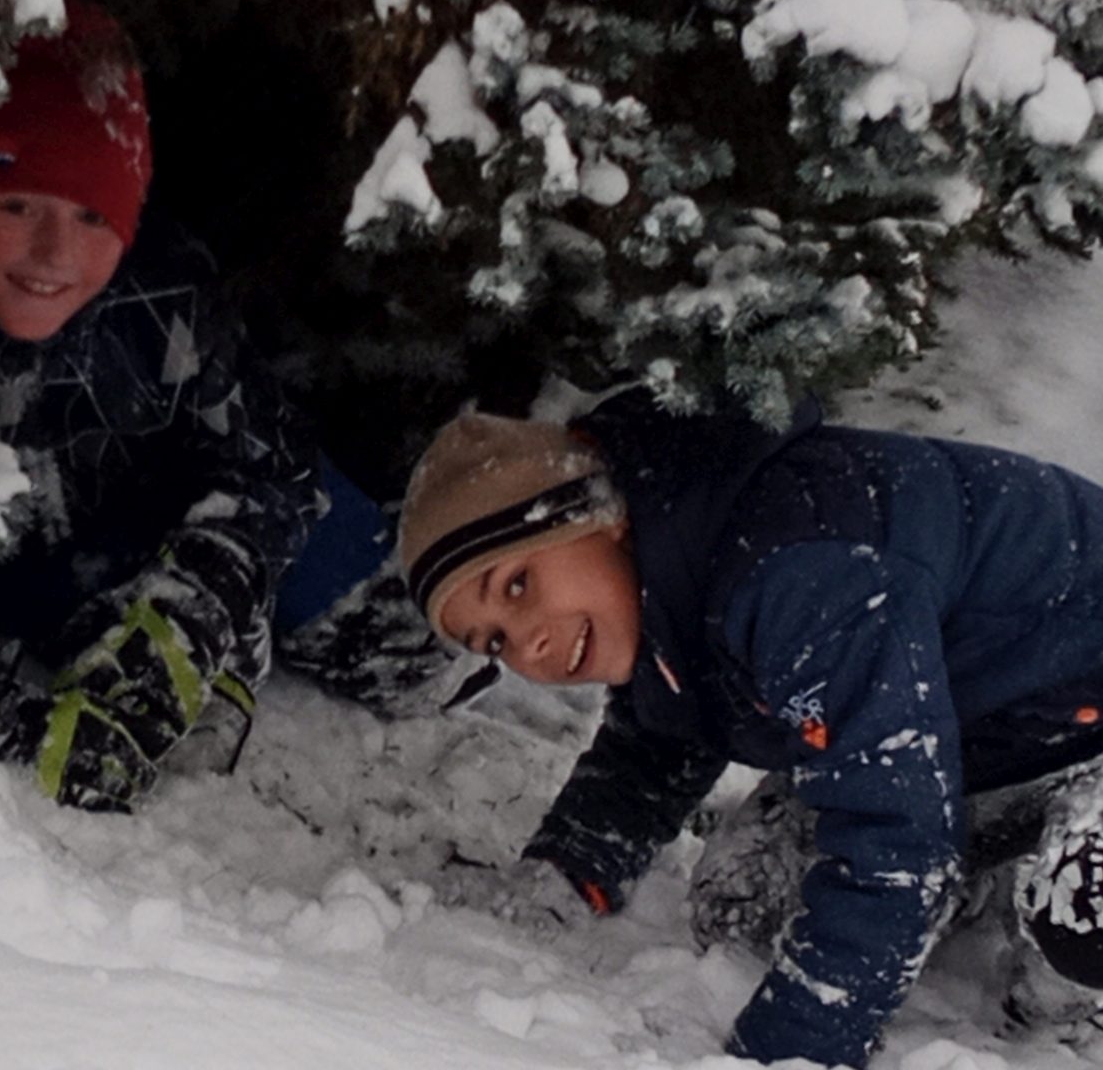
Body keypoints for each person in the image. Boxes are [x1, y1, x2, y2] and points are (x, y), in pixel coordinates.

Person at [396, 387, 1103, 1066]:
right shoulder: (670, 580)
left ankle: (1070, 976)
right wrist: (564, 875)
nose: (529, 644)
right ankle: (999, 853)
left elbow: (894, 842)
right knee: (741, 907)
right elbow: (660, 741)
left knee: (1083, 904)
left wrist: (786, 1054)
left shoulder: (798, 563)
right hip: (992, 744)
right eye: (494, 642)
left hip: (1079, 714)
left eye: (518, 585)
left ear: (596, 515)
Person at [0, 1, 319, 812]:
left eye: (93, 215)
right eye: (16, 206)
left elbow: (273, 470)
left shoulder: (168, 298)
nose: (55, 254)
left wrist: (191, 620)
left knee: (340, 575)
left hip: (117, 546)